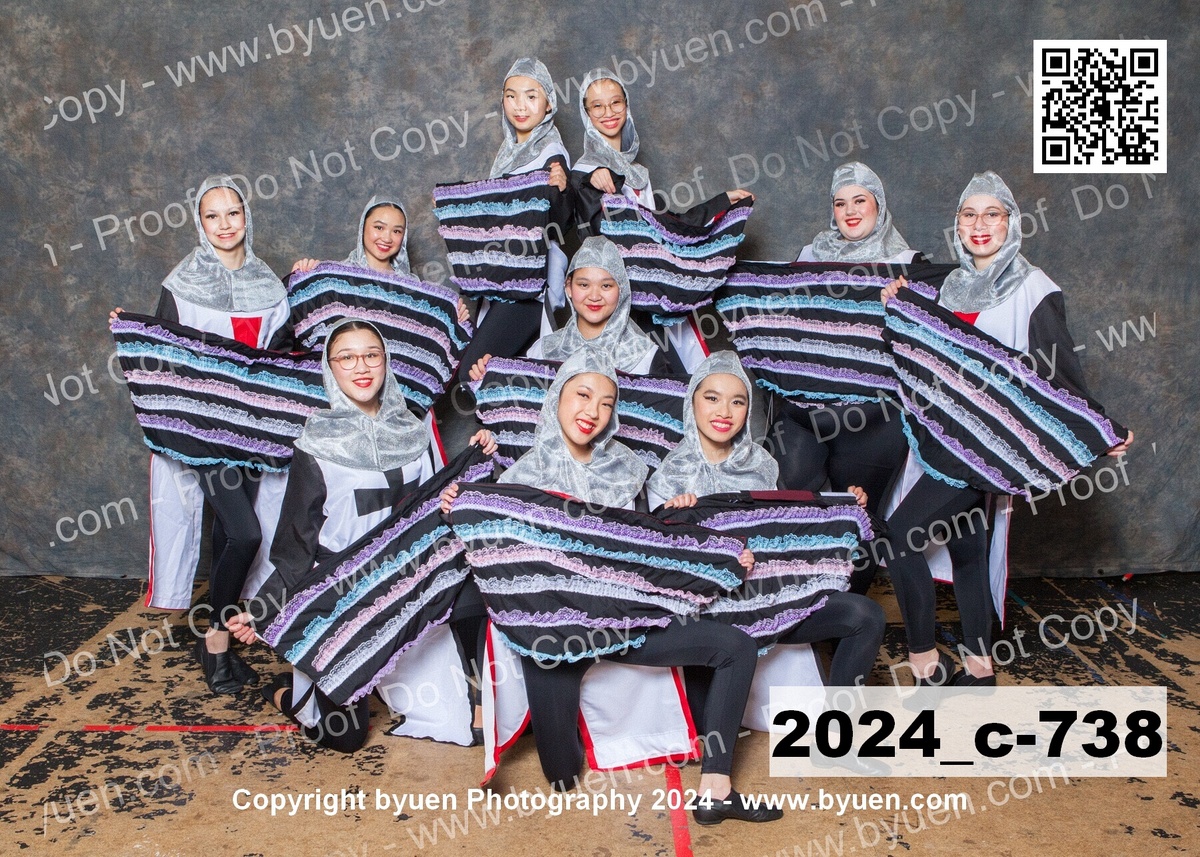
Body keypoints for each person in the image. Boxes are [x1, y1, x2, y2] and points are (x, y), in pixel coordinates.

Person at [443, 350, 781, 825]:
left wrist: (704, 540)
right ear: (556, 399)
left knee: (736, 647)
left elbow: (653, 544)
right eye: (583, 396)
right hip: (557, 637)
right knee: (561, 774)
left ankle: (715, 791)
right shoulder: (518, 479)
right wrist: (459, 503)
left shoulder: (630, 469)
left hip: (627, 623)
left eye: (606, 403)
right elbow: (492, 568)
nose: (593, 412)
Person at [880, 171, 1133, 687]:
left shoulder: (1033, 287)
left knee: (901, 535)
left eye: (992, 214)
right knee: (968, 548)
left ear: (1011, 222)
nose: (980, 225)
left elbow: (1058, 367)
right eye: (969, 215)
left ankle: (925, 659)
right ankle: (980, 668)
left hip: (991, 448)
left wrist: (1097, 426)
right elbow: (923, 340)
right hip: (942, 439)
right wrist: (900, 301)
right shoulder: (944, 286)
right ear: (957, 223)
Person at [227, 318, 495, 749]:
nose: (361, 367)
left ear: (385, 361)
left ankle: (468, 690)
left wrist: (480, 452)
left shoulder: (414, 429)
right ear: (330, 367)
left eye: (371, 355)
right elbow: (296, 543)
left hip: (407, 585)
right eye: (347, 358)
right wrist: (264, 610)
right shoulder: (315, 443)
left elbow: (434, 504)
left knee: (457, 721)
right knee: (345, 738)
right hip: (343, 594)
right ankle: (284, 694)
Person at [112, 175, 291, 694]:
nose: (224, 224)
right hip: (205, 430)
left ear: (246, 216)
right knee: (245, 533)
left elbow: (281, 356)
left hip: (252, 430)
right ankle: (214, 639)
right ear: (200, 222)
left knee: (230, 535)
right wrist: (133, 330)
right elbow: (164, 353)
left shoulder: (270, 285)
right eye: (213, 216)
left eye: (233, 213)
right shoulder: (181, 283)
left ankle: (221, 641)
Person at [647, 352, 885, 710]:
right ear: (691, 403)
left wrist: (844, 505)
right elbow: (659, 571)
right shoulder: (665, 476)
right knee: (705, 719)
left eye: (737, 401)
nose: (724, 411)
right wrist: (672, 518)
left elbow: (790, 530)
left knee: (866, 615)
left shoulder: (764, 466)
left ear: (748, 410)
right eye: (712, 398)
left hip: (775, 599)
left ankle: (839, 725)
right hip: (711, 617)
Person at [777, 162, 924, 594]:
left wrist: (905, 305)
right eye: (841, 203)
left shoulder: (907, 265)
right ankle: (793, 607)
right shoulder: (809, 257)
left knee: (860, 519)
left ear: (879, 205)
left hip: (873, 419)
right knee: (790, 504)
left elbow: (926, 344)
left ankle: (848, 613)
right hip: (804, 411)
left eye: (860, 200)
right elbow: (781, 322)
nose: (850, 211)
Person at [569, 68, 753, 372]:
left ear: (626, 106)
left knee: (681, 372)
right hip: (618, 297)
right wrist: (587, 181)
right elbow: (593, 233)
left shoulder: (637, 172)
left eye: (615, 103)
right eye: (597, 106)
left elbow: (665, 228)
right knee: (652, 375)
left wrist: (721, 203)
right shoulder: (586, 171)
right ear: (586, 114)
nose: (608, 112)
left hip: (652, 288)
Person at [455, 58, 575, 383]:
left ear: (548, 103)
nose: (520, 105)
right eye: (511, 96)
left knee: (474, 373)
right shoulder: (509, 152)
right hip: (502, 278)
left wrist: (562, 190)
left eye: (531, 96)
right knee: (504, 377)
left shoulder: (550, 152)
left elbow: (559, 221)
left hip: (528, 287)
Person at [467, 236, 667, 380]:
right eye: (584, 285)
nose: (594, 296)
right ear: (568, 288)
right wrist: (489, 376)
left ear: (621, 290)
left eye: (606, 286)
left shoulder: (646, 356)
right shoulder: (543, 350)